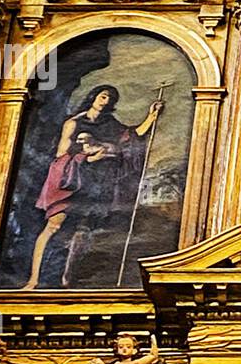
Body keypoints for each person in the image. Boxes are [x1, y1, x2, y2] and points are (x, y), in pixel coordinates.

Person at [22, 84, 164, 290]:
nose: (106, 101)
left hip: (96, 185)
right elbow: (60, 156)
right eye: (104, 96)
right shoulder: (74, 123)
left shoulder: (111, 124)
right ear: (93, 97)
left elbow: (132, 136)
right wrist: (87, 159)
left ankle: (67, 279)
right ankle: (34, 280)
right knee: (54, 226)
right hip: (72, 182)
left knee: (82, 231)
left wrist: (151, 117)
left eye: (110, 99)